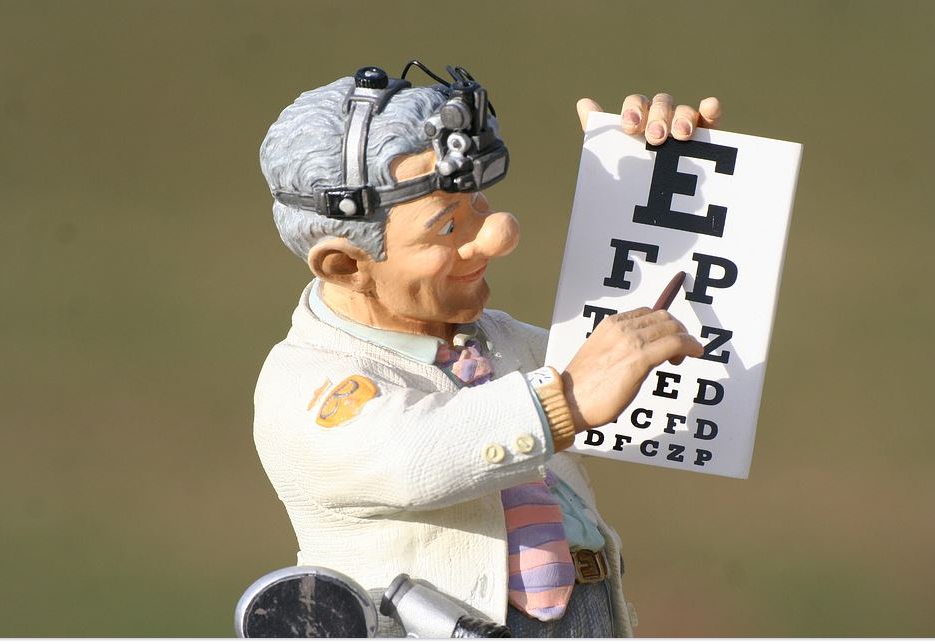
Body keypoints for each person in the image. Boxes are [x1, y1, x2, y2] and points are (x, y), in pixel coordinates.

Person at [253, 65, 720, 637]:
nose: (498, 234)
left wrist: (667, 196)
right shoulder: (304, 384)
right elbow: (415, 456)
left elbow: (672, 397)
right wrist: (563, 401)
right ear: (346, 265)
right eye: (447, 228)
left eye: (477, 201)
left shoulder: (499, 342)